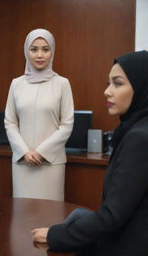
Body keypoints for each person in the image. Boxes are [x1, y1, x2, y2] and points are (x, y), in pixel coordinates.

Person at [31, 50, 148, 255]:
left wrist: (54, 235)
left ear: (141, 87)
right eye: (108, 83)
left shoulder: (139, 139)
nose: (107, 91)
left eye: (118, 83)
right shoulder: (137, 129)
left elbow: (112, 216)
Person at [4, 28, 74, 201]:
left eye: (45, 49)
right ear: (26, 51)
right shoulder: (16, 84)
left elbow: (67, 124)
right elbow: (10, 121)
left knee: (51, 214)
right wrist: (24, 152)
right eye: (34, 49)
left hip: (51, 162)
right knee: (22, 214)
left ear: (52, 52)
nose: (39, 55)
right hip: (22, 162)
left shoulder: (62, 84)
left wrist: (41, 152)